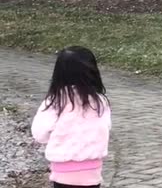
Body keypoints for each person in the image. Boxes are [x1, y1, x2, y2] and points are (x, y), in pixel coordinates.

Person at [31, 46, 111, 188]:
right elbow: (105, 127)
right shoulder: (100, 101)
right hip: (92, 171)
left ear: (59, 73)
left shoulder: (55, 101)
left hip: (63, 171)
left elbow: (40, 133)